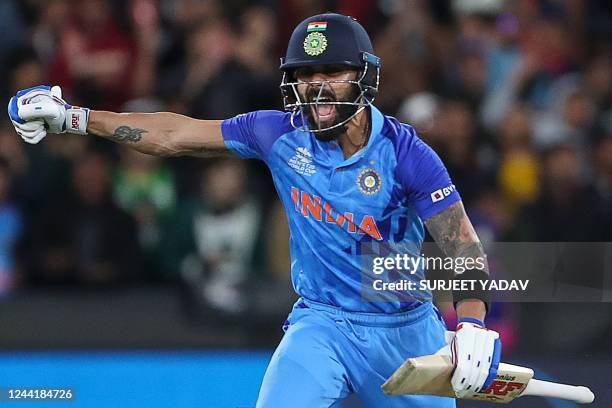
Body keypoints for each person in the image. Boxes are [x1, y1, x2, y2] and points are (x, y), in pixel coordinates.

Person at [8, 13, 500, 408]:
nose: (318, 88)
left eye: (332, 73)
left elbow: (461, 246)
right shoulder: (277, 133)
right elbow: (175, 134)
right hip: (322, 323)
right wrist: (75, 117)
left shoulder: (407, 153)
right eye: (306, 75)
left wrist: (473, 324)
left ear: (364, 78)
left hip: (406, 331)